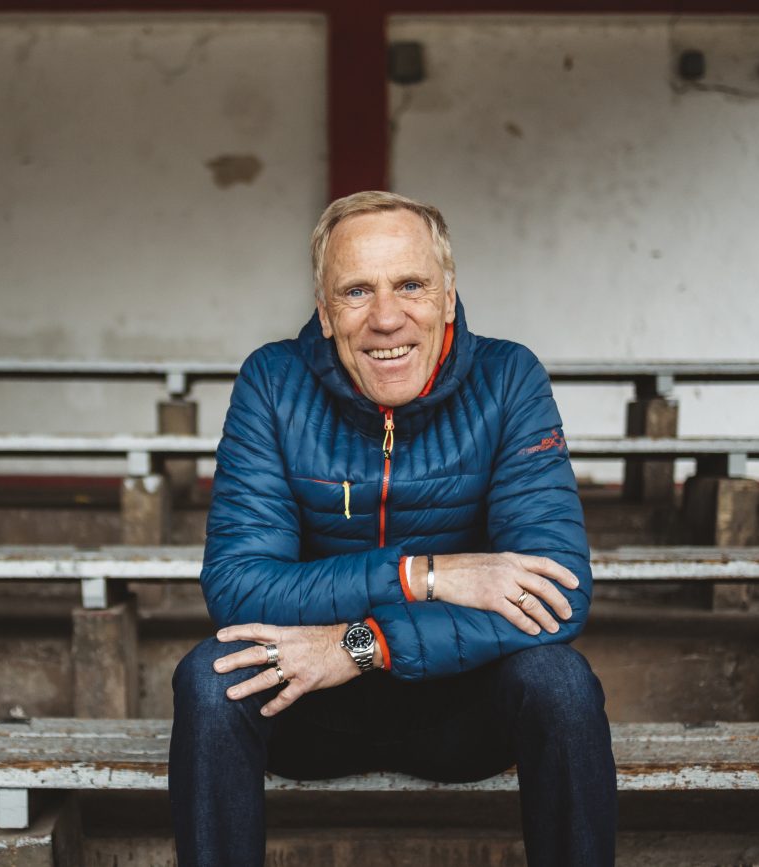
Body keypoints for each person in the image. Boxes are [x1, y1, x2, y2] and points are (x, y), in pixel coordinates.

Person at [168, 191, 616, 866]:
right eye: (355, 291)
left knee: (560, 681)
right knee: (211, 677)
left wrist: (362, 643)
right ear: (324, 310)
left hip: (460, 706)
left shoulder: (508, 377)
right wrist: (424, 574)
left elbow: (559, 594)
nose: (385, 317)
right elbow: (238, 586)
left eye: (410, 284)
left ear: (447, 293)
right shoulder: (272, 381)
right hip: (307, 700)